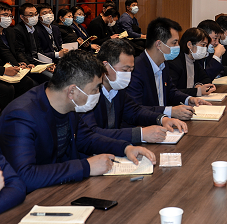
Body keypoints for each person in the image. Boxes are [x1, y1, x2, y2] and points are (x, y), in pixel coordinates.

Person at [0, 49, 156, 193]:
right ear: (72, 91)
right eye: (95, 88)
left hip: (63, 188)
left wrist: (125, 148)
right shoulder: (21, 116)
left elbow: (87, 138)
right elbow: (25, 176)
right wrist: (86, 166)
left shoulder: (69, 104)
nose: (98, 93)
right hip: (34, 199)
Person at [81, 39, 187, 144]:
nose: (128, 75)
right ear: (106, 66)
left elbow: (135, 112)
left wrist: (162, 119)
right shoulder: (87, 93)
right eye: (124, 70)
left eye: (131, 70)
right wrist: (140, 134)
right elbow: (92, 133)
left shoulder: (118, 89)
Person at [124, 17, 210, 120]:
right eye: (174, 43)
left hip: (163, 122)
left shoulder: (163, 64)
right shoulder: (136, 69)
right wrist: (170, 111)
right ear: (159, 44)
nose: (178, 46)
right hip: (147, 125)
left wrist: (188, 99)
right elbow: (135, 109)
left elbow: (171, 92)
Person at [0, 2, 37, 108]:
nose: (8, 18)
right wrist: (4, 70)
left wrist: (21, 63)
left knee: (27, 82)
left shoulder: (9, 31)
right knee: (7, 89)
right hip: (2, 69)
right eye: (5, 15)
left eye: (10, 16)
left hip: (9, 67)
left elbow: (15, 51)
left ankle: (19, 111)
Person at [167, 28, 216, 97]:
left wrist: (199, 85)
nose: (205, 49)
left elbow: (206, 79)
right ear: (189, 45)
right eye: (203, 45)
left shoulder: (194, 60)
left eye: (206, 46)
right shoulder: (175, 63)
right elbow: (172, 92)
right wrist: (197, 91)